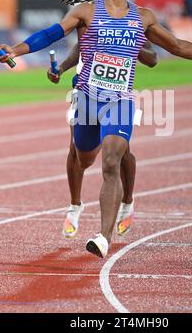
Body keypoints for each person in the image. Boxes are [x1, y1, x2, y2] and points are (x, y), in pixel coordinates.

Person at [0, 0, 192, 258]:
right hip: (86, 100)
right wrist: (16, 48)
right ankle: (80, 203)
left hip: (119, 100)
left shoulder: (143, 17)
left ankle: (103, 237)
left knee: (111, 161)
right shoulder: (86, 12)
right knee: (84, 156)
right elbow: (51, 33)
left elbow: (177, 46)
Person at [47, 41, 157, 239]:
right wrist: (61, 68)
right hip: (84, 90)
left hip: (116, 94)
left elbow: (152, 57)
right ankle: (75, 206)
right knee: (77, 151)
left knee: (120, 153)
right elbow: (79, 45)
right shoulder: (89, 15)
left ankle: (127, 202)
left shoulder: (132, 19)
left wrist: (131, 46)